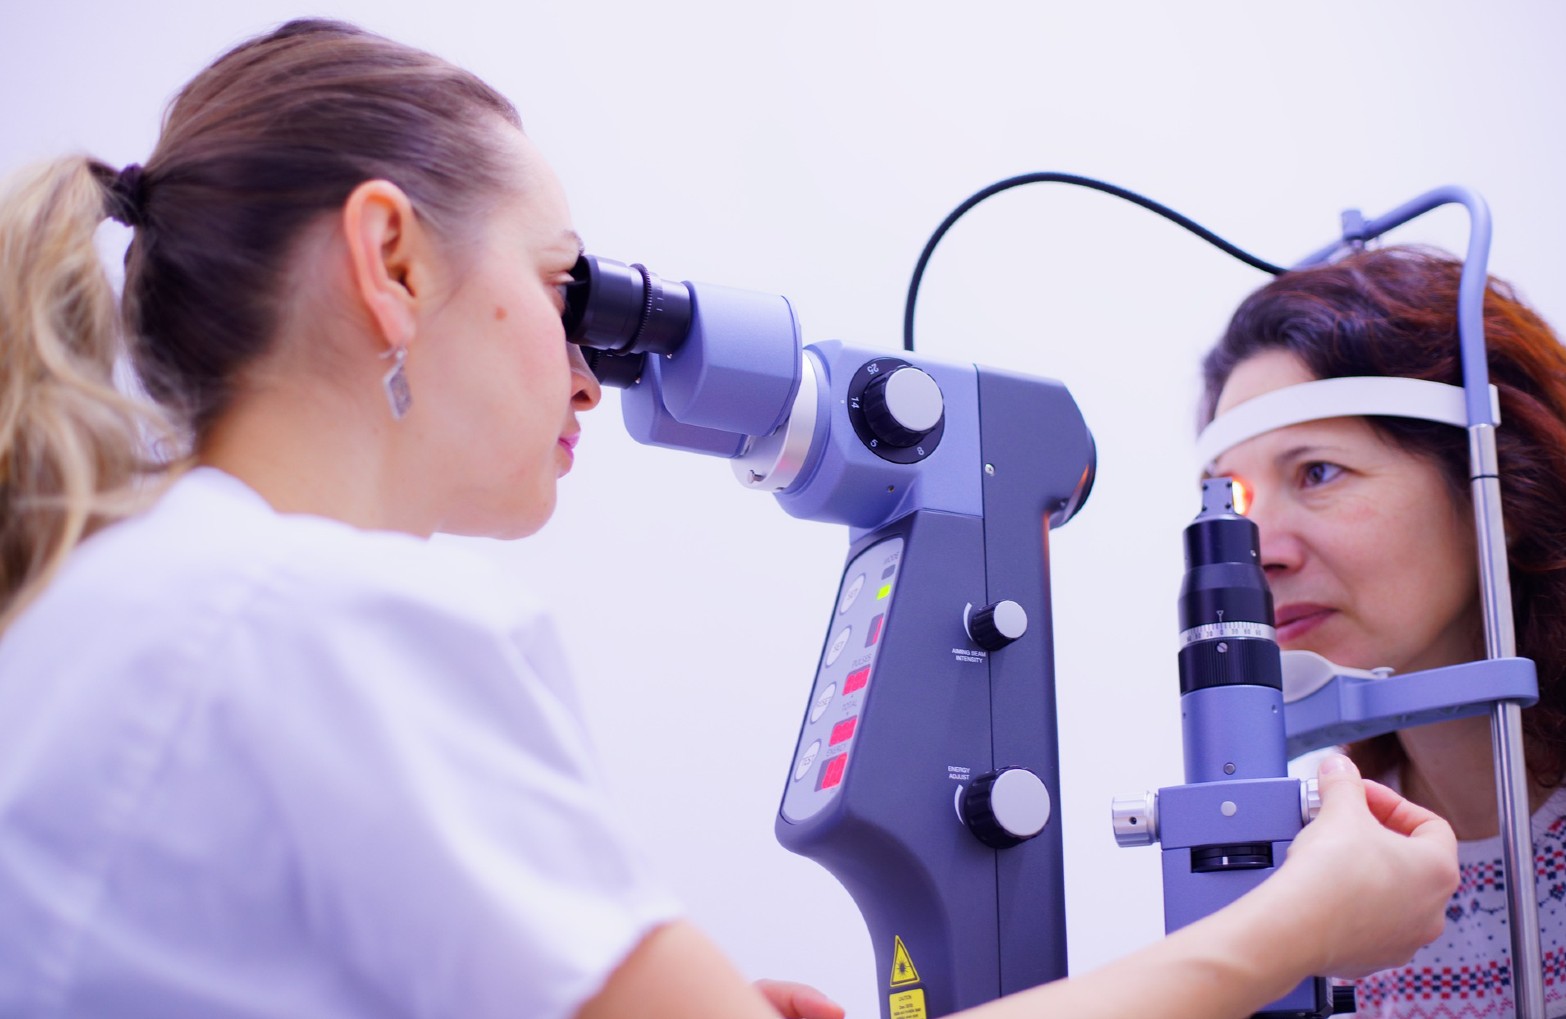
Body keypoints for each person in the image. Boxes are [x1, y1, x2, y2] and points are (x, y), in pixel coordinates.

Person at [0, 18, 1457, 1019]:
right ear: (390, 256)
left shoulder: (114, 595)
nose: (590, 364)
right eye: (567, 285)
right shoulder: (333, 621)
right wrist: (1295, 924)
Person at [1198, 245, 1566, 1018]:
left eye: (1318, 472)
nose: (1261, 551)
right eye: (1235, 499)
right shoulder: (1325, 861)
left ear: (1496, 482)